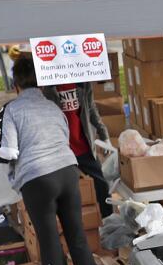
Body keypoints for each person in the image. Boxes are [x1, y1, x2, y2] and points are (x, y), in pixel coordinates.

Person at [0, 56, 111, 265]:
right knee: (77, 237)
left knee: (49, 240)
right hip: (68, 171)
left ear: (16, 85)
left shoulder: (11, 110)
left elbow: (9, 152)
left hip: (37, 177)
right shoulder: (52, 106)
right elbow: (65, 135)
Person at [43, 82, 113, 218]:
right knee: (68, 190)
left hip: (84, 146)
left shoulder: (83, 84)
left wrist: (104, 135)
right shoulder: (47, 87)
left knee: (102, 184)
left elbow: (91, 109)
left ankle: (108, 220)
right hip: (61, 150)